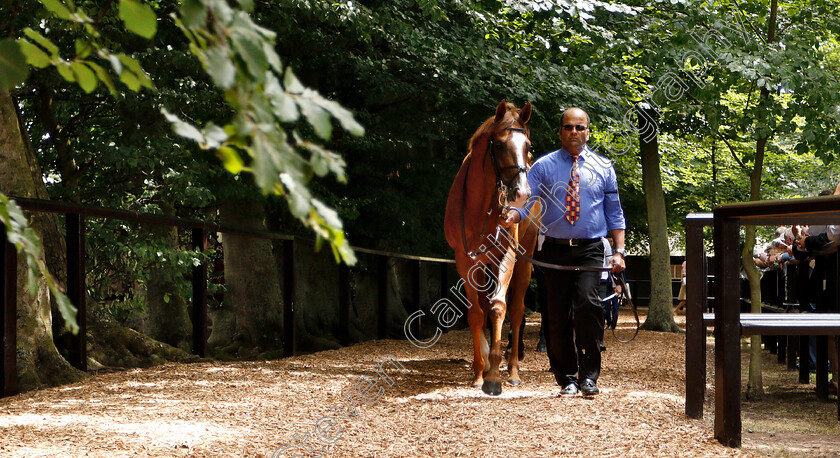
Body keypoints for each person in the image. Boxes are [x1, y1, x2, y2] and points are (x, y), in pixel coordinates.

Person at [502, 107, 626, 396]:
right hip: (554, 251)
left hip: (591, 250)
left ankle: (589, 376)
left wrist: (618, 252)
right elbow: (526, 200)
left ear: (588, 131)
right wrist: (513, 215)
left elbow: (615, 215)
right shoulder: (543, 167)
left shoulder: (603, 168)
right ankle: (567, 377)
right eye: (568, 127)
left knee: (588, 307)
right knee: (556, 317)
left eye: (579, 127)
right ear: (560, 132)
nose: (574, 132)